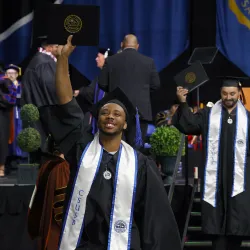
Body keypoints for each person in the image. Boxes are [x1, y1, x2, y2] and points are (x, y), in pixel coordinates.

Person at [48, 35, 181, 250]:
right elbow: (66, 104)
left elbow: (155, 219)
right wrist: (63, 59)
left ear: (126, 124)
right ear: (97, 119)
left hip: (125, 243)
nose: (110, 116)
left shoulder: (141, 165)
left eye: (117, 114)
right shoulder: (82, 149)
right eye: (105, 112)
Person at [172, 78, 250, 250]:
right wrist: (182, 102)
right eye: (225, 93)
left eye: (232, 94)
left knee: (236, 231)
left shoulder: (248, 119)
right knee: (217, 235)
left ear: (238, 93)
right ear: (220, 93)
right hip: (216, 183)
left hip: (240, 183)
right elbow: (188, 125)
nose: (228, 97)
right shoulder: (208, 115)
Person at [98, 34, 160, 149]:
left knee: (115, 147)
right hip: (139, 113)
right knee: (135, 150)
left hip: (117, 111)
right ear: (137, 46)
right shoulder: (148, 62)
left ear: (122, 45)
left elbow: (102, 83)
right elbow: (156, 85)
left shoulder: (111, 60)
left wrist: (113, 91)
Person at [21, 37, 59, 152]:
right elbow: (51, 89)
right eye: (57, 47)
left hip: (35, 111)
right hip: (44, 113)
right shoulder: (45, 62)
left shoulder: (37, 60)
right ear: (49, 48)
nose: (59, 49)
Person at [74, 48, 114, 134]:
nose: (96, 59)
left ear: (106, 58)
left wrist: (80, 92)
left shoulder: (109, 77)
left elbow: (91, 92)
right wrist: (80, 91)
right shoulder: (101, 76)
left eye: (98, 56)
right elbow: (91, 91)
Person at [5, 64, 27, 159]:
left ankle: (19, 155)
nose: (11, 75)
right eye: (8, 73)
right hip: (7, 113)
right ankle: (9, 155)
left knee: (19, 130)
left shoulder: (22, 86)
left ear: (17, 74)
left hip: (19, 111)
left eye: (13, 73)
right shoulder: (3, 86)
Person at [0, 76, 17, 177]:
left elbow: (11, 100)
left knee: (2, 140)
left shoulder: (5, 80)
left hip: (2, 113)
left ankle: (1, 167)